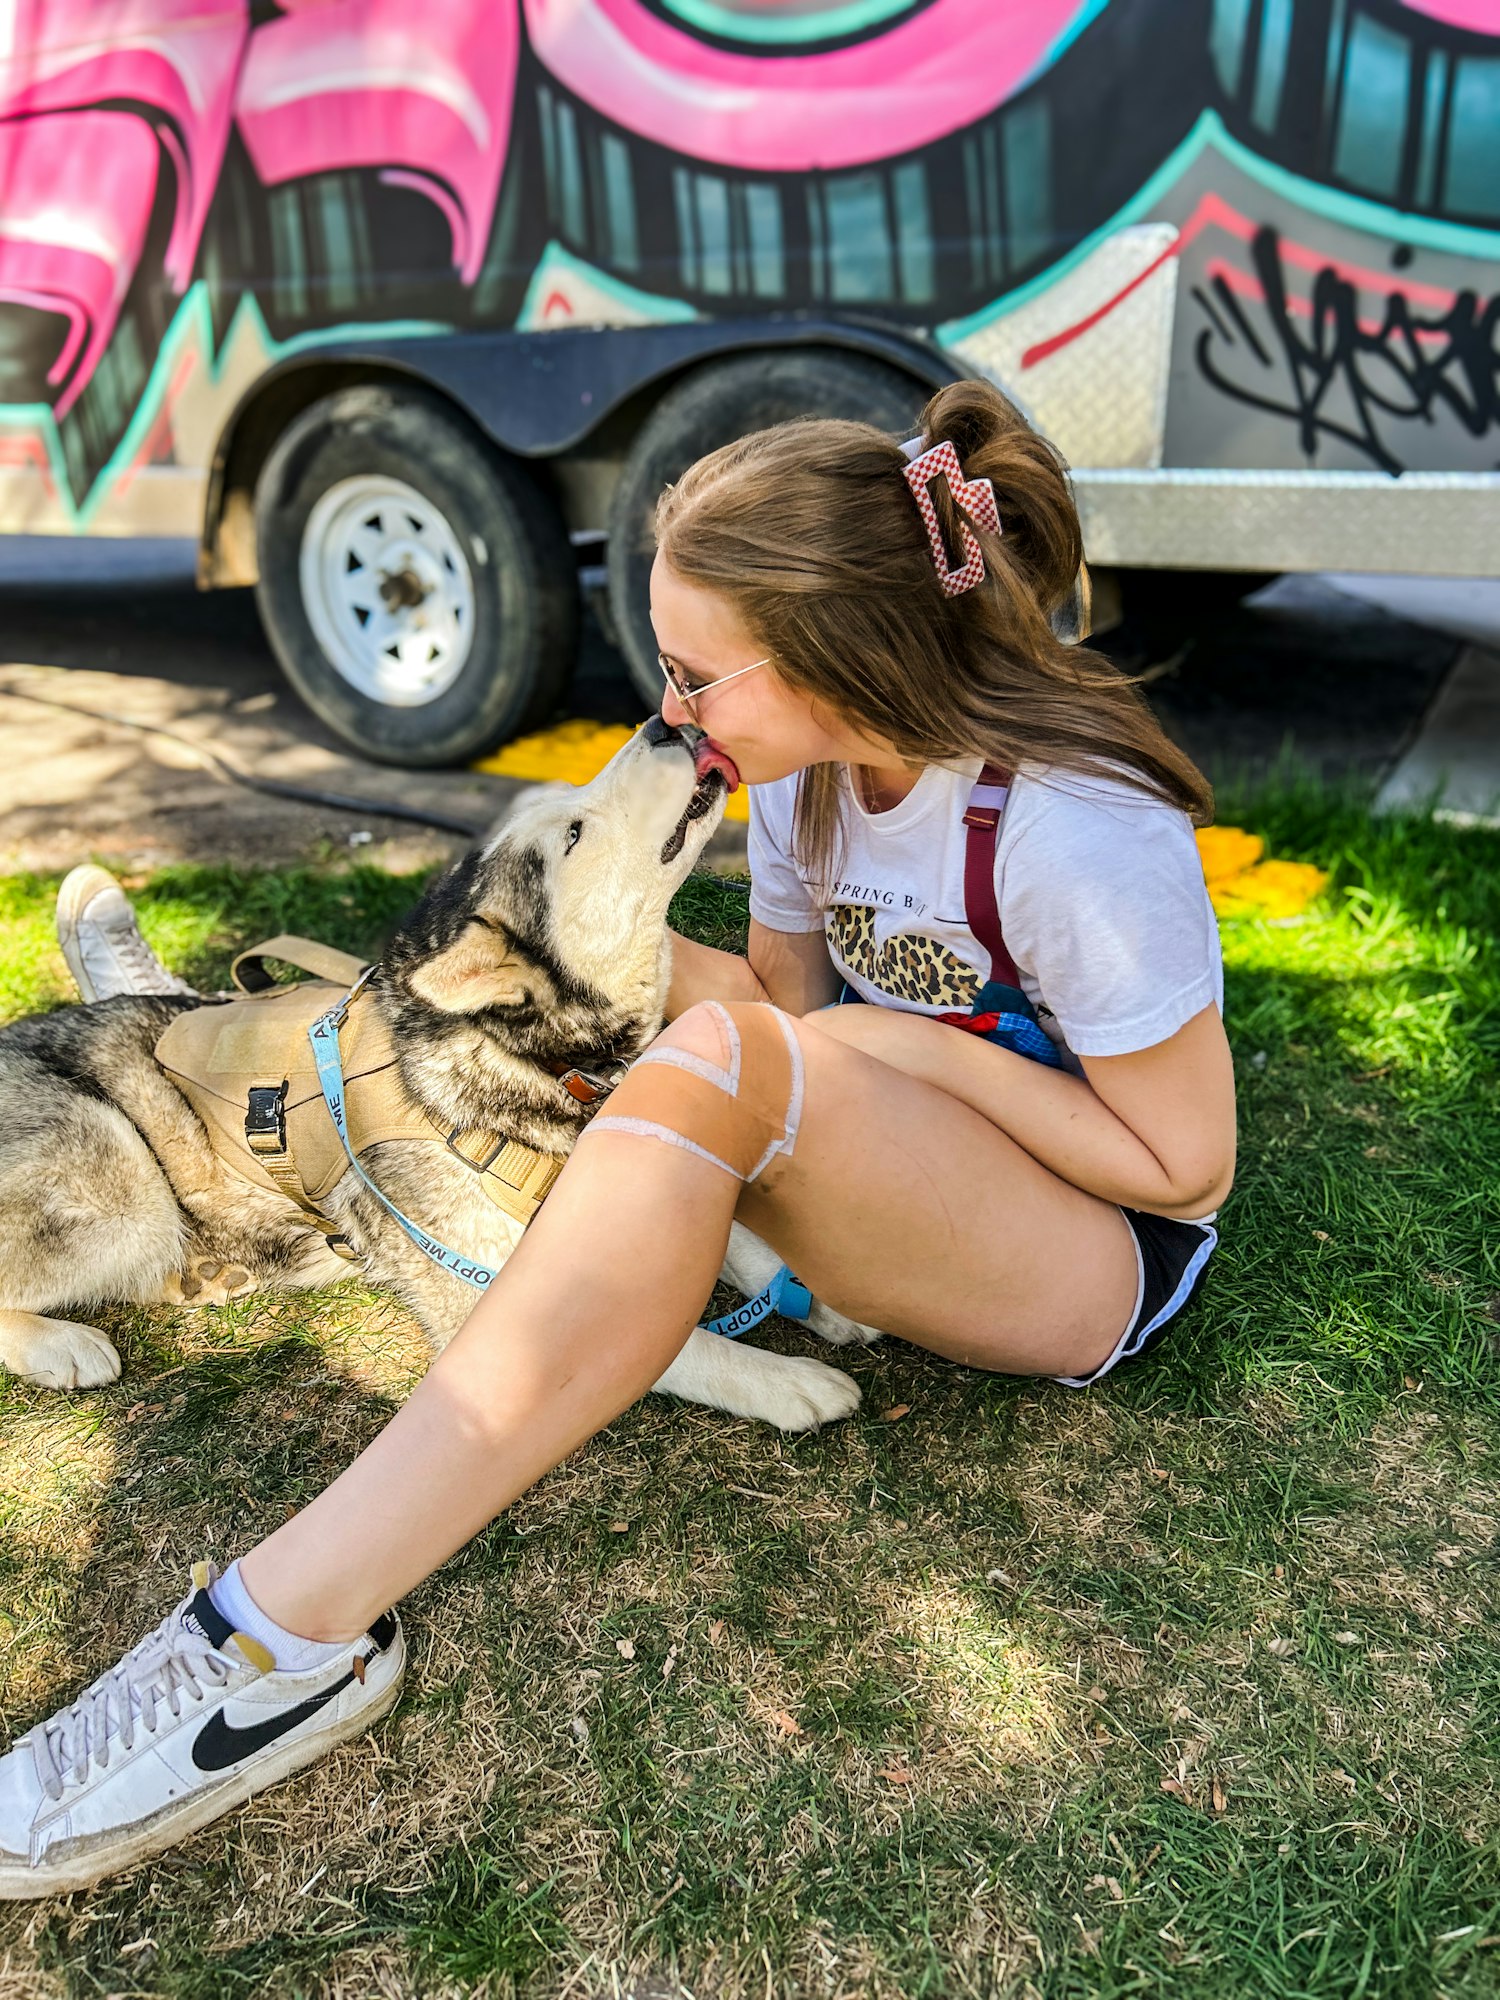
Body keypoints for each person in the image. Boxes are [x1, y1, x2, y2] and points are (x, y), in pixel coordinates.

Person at [0, 380, 1234, 1897]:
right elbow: (780, 1001)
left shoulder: (1077, 832)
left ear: (845, 657)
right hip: (916, 1169)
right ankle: (257, 1123)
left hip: (1091, 1262)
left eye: (700, 676)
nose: (673, 713)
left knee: (719, 1056)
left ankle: (279, 1633)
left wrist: (888, 1044)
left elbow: (1184, 1170)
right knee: (637, 1014)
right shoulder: (814, 784)